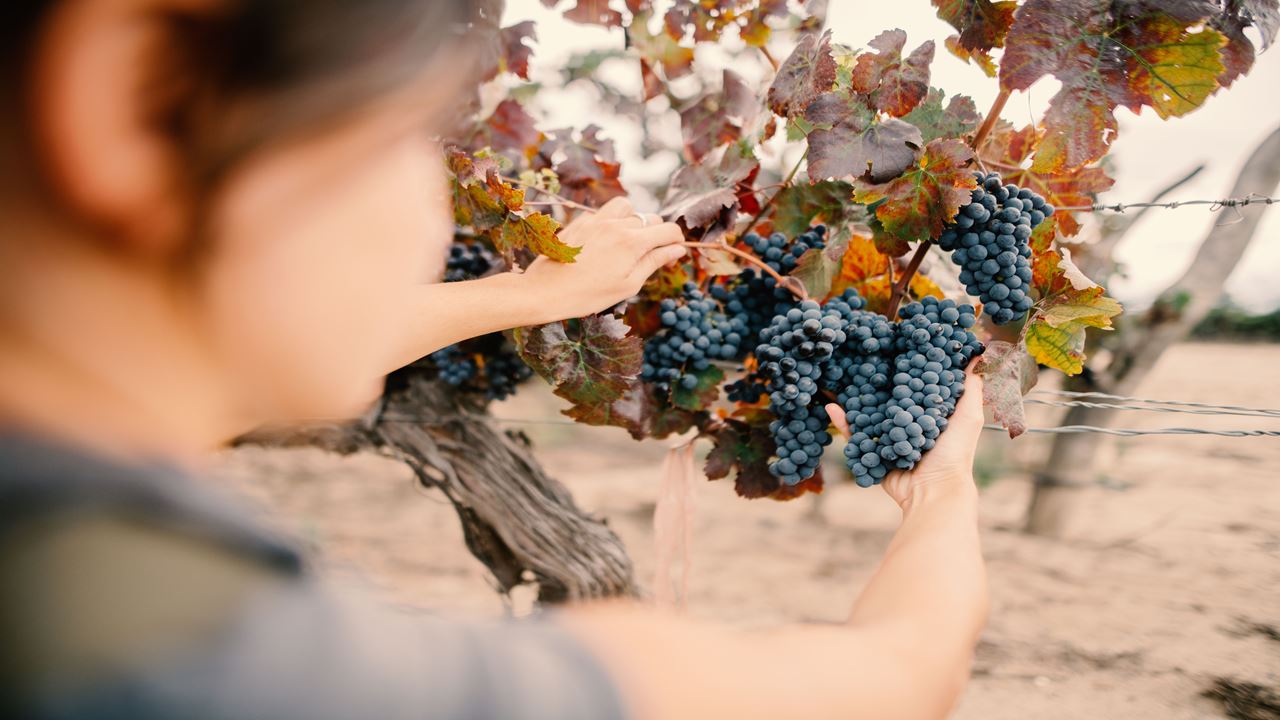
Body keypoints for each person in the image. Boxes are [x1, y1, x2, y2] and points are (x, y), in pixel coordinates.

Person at [0, 1, 989, 718]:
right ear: (143, 94)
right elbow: (893, 680)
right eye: (411, 138)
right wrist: (943, 495)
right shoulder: (201, 668)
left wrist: (531, 295)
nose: (436, 218)